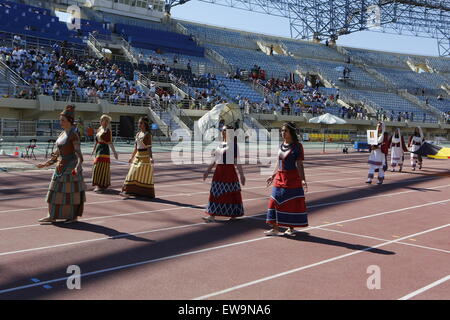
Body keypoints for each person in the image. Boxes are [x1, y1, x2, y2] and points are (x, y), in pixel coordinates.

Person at [36, 105, 86, 224]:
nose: (60, 122)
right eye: (60, 120)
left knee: (70, 194)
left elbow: (79, 155)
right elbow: (57, 153)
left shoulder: (73, 135)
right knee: (53, 192)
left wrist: (78, 166)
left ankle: (73, 217)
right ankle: (51, 215)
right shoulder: (62, 134)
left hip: (70, 167)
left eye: (63, 120)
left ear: (69, 121)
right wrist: (45, 164)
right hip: (60, 166)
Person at [265, 122, 308, 236]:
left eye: (285, 131)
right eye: (282, 130)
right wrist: (273, 175)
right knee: (273, 201)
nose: (282, 133)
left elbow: (299, 164)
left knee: (291, 203)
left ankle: (291, 228)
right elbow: (278, 162)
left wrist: (303, 179)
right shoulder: (280, 145)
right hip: (279, 177)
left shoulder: (298, 146)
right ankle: (275, 228)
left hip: (292, 179)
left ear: (291, 132)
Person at [202, 125, 245, 222]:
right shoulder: (220, 144)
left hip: (229, 171)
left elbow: (237, 161)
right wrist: (207, 171)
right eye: (222, 130)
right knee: (215, 192)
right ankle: (212, 215)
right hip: (219, 171)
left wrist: (242, 175)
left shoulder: (233, 145)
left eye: (225, 130)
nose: (223, 131)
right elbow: (214, 159)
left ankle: (233, 214)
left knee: (230, 192)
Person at [121, 117, 155, 198]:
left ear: (145, 124)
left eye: (141, 123)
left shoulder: (148, 135)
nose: (139, 124)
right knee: (132, 173)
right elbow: (135, 148)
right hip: (137, 156)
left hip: (145, 157)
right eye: (139, 123)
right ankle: (128, 191)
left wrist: (151, 157)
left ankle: (144, 193)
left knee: (143, 175)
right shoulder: (137, 134)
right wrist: (131, 157)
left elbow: (149, 148)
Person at [91, 115, 118, 193]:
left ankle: (102, 185)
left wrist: (115, 152)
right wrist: (93, 149)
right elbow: (96, 141)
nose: (105, 122)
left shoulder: (108, 131)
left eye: (107, 121)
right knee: (97, 166)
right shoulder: (99, 129)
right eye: (104, 120)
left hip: (104, 149)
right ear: (101, 121)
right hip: (98, 149)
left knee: (102, 166)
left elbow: (110, 142)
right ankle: (98, 184)